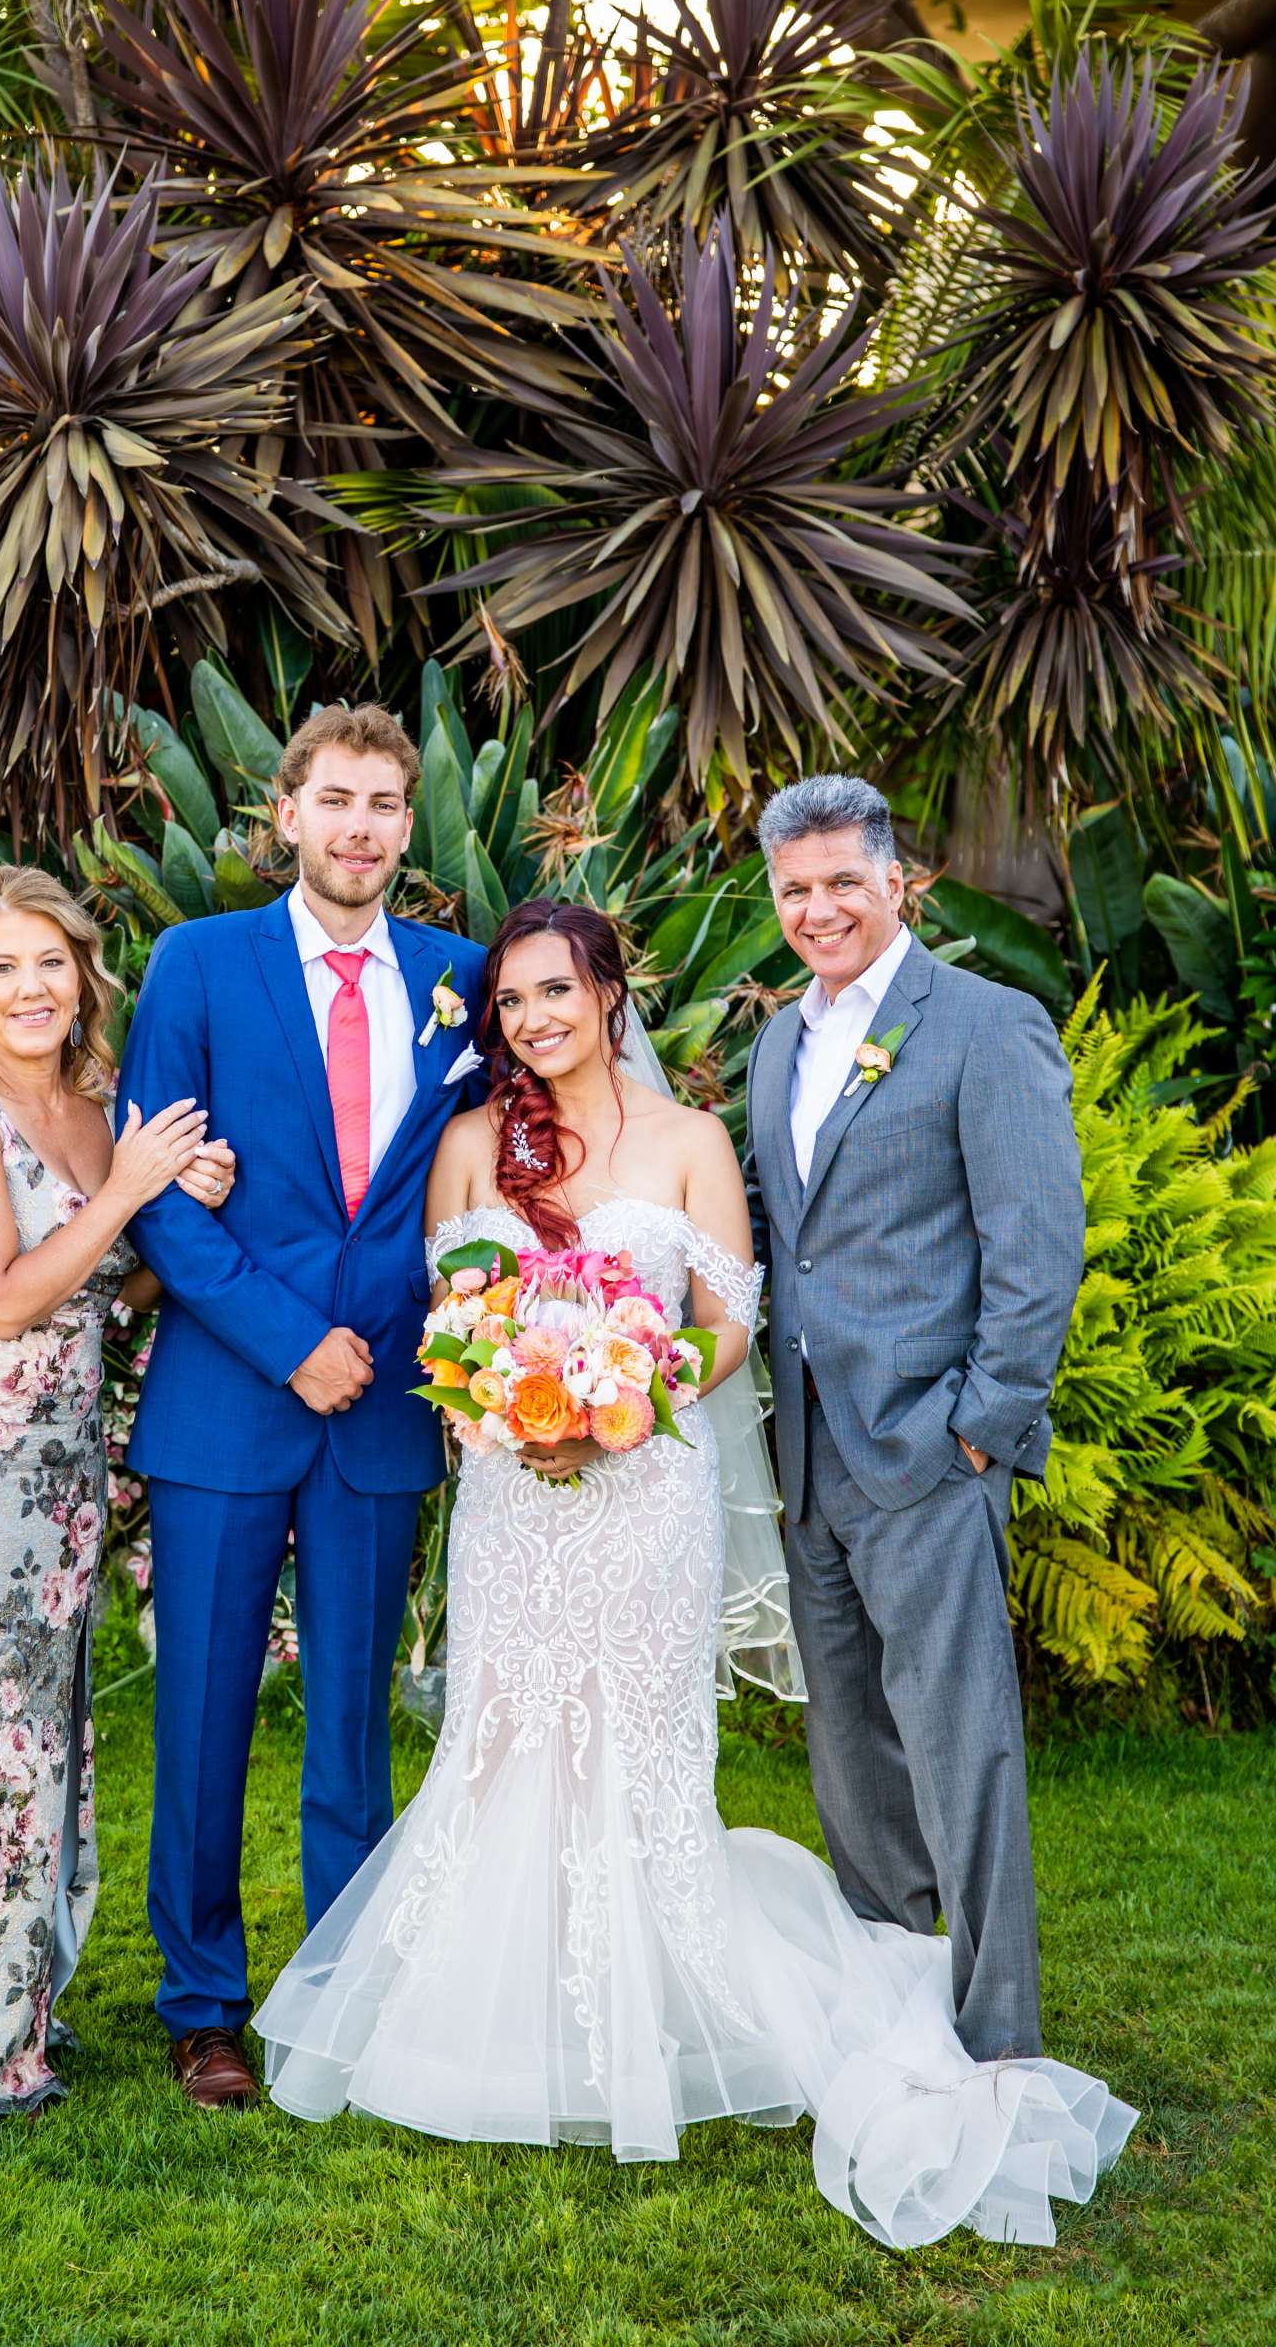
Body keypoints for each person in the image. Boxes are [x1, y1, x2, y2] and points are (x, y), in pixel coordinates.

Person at [252, 897, 1135, 2249]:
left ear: (610, 993)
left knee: (641, 1746)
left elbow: (730, 1320)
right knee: (503, 1739)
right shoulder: (477, 1144)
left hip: (642, 1481)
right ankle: (502, 2009)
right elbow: (447, 1319)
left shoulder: (689, 1141)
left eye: (559, 991)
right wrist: (497, 1407)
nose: (536, 1020)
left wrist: (631, 1399)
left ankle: (659, 2005)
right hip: (512, 1497)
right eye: (513, 1002)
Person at [116, 702, 488, 2111]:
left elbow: (478, 1182)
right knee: (205, 1714)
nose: (361, 828)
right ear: (286, 816)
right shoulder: (197, 965)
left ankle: (343, 1994)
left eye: (387, 804)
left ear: (409, 825)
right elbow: (164, 1197)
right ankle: (205, 2003)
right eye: (336, 801)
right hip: (230, 1398)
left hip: (386, 1402)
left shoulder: (461, 979)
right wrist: (289, 1344)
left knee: (350, 1723)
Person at [0, 864, 233, 2118]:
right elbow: (2, 1294)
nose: (30, 988)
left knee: (37, 1736)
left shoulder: (94, 1108)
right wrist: (133, 1190)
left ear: (84, 978)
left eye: (50, 963)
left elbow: (99, 1289)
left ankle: (22, 2009)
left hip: (60, 1459)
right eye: (2, 967)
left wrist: (177, 1209)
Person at [742, 773, 1080, 2066]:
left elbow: (1037, 1244)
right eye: (794, 889)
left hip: (931, 1451)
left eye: (841, 881)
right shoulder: (782, 1041)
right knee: (850, 1762)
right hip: (813, 1458)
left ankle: (996, 2039)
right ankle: (893, 2008)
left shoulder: (985, 1026)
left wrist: (982, 1427)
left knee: (962, 1757)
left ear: (898, 882)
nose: (818, 908)